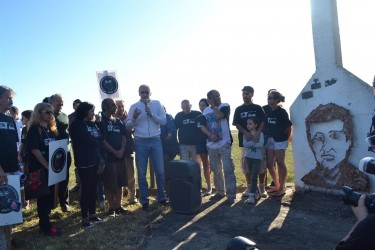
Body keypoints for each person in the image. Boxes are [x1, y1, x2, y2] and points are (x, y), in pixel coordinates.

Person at [301, 103, 368, 191]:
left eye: (334, 137)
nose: (326, 148)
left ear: (348, 141)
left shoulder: (359, 181)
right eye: (318, 138)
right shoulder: (310, 178)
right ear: (311, 144)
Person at [125, 84, 168, 211]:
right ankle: (144, 200)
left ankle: (161, 197)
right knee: (142, 173)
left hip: (155, 140)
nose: (144, 94)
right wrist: (133, 118)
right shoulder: (134, 107)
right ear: (139, 93)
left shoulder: (157, 104)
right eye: (142, 92)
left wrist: (152, 115)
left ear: (151, 93)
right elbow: (128, 126)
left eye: (147, 92)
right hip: (140, 141)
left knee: (160, 171)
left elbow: (164, 121)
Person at [26, 102, 62, 236]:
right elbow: (34, 150)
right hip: (40, 169)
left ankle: (46, 220)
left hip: (50, 168)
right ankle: (45, 226)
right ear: (39, 113)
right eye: (47, 112)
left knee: (49, 195)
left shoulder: (50, 129)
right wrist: (47, 165)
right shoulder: (34, 129)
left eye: (52, 112)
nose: (51, 114)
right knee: (43, 197)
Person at [70, 102, 104, 229]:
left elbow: (101, 137)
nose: (93, 113)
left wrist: (99, 123)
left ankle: (93, 214)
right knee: (86, 189)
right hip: (83, 161)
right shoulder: (76, 125)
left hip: (94, 160)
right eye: (92, 110)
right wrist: (96, 140)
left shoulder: (92, 124)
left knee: (93, 188)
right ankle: (84, 218)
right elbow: (89, 140)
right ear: (85, 111)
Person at [199, 89, 237, 204]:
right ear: (209, 99)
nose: (217, 98)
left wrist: (214, 106)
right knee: (216, 170)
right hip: (211, 144)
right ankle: (220, 192)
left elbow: (220, 115)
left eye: (218, 95)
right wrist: (210, 134)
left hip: (224, 142)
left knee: (228, 168)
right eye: (214, 97)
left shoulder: (225, 106)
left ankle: (231, 194)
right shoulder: (205, 111)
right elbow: (202, 126)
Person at [232, 86, 266, 198]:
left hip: (258, 140)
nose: (245, 96)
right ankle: (249, 186)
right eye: (243, 94)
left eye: (247, 94)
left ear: (252, 94)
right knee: (246, 165)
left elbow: (263, 122)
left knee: (260, 165)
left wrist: (257, 133)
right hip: (245, 141)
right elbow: (236, 123)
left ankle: (261, 187)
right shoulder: (238, 109)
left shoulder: (257, 107)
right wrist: (245, 132)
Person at [98, 98, 130, 216]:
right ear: (105, 107)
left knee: (120, 183)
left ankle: (119, 206)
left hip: (120, 157)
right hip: (108, 158)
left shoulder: (118, 121)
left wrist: (121, 150)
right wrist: (114, 152)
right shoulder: (101, 122)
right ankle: (111, 208)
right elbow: (103, 141)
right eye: (112, 105)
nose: (115, 107)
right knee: (110, 184)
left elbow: (124, 136)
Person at [0, 86, 19, 248]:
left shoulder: (10, 119)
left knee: (10, 209)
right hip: (1, 172)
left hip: (12, 170)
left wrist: (18, 165)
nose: (11, 101)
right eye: (8, 97)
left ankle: (8, 241)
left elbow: (14, 144)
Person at [264, 90, 292, 197]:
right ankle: (277, 185)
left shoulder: (282, 112)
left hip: (280, 139)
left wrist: (286, 138)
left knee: (280, 162)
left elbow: (288, 127)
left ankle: (282, 187)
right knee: (269, 164)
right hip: (270, 139)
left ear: (276, 100)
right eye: (268, 98)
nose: (270, 100)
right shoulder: (267, 110)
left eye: (272, 98)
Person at [49, 94, 71, 212]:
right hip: (53, 151)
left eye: (62, 102)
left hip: (66, 150)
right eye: (58, 102)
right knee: (52, 178)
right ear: (51, 102)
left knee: (65, 177)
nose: (61, 105)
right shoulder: (47, 115)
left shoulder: (64, 116)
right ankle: (52, 203)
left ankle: (64, 202)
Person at [115, 99, 138, 205]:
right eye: (118, 106)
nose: (120, 108)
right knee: (118, 174)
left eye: (122, 106)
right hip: (115, 150)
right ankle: (118, 197)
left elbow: (132, 129)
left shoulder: (130, 118)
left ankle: (132, 197)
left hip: (129, 149)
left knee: (131, 174)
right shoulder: (112, 119)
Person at [243, 117, 264, 204]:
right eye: (247, 124)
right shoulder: (246, 134)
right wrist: (253, 141)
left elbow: (261, 144)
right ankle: (257, 193)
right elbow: (245, 144)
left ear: (255, 125)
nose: (248, 125)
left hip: (257, 157)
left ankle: (251, 196)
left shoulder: (260, 134)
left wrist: (251, 143)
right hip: (248, 156)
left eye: (250, 123)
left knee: (254, 176)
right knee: (251, 175)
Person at [160, 106, 179, 194]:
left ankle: (169, 192)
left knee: (167, 171)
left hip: (168, 149)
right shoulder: (158, 118)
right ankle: (167, 191)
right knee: (164, 171)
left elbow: (172, 129)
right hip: (162, 149)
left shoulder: (167, 116)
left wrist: (170, 134)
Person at [196, 98, 212, 195]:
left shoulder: (210, 116)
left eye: (203, 105)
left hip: (211, 142)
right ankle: (208, 187)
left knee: (213, 165)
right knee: (204, 165)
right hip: (200, 143)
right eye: (200, 105)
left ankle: (217, 187)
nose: (202, 107)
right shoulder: (198, 117)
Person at [18, 109, 32, 209]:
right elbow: (22, 143)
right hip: (26, 157)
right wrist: (19, 154)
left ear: (27, 118)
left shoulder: (37, 128)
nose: (21, 120)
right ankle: (27, 200)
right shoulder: (24, 129)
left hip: (36, 158)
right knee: (26, 178)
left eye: (23, 118)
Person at [68, 99, 82, 194]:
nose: (78, 107)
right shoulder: (70, 117)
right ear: (73, 106)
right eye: (76, 105)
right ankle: (79, 183)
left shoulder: (84, 115)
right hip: (75, 142)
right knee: (78, 163)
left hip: (85, 143)